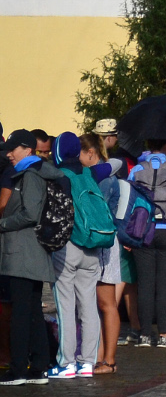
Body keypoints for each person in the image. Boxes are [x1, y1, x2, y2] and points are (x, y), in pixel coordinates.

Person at [0, 130, 62, 385]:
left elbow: (30, 214)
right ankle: (38, 367)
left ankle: (18, 370)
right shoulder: (31, 173)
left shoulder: (31, 175)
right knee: (33, 311)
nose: (9, 154)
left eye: (13, 149)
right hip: (28, 253)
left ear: (27, 149)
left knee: (21, 313)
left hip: (23, 254)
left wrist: (2, 223)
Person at [49, 133, 103, 378]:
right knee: (89, 305)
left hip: (68, 245)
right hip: (93, 245)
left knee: (65, 306)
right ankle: (88, 363)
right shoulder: (90, 173)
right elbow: (116, 164)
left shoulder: (59, 176)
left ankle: (67, 362)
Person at [128, 139, 166, 349]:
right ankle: (163, 335)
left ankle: (144, 334)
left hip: (143, 230)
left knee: (144, 284)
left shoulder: (136, 169)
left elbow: (130, 198)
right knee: (165, 285)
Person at [81, 135, 125, 375]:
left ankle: (108, 359)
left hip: (104, 242)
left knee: (106, 303)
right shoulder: (103, 174)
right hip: (100, 241)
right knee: (96, 303)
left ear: (90, 152)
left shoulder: (102, 178)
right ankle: (99, 357)